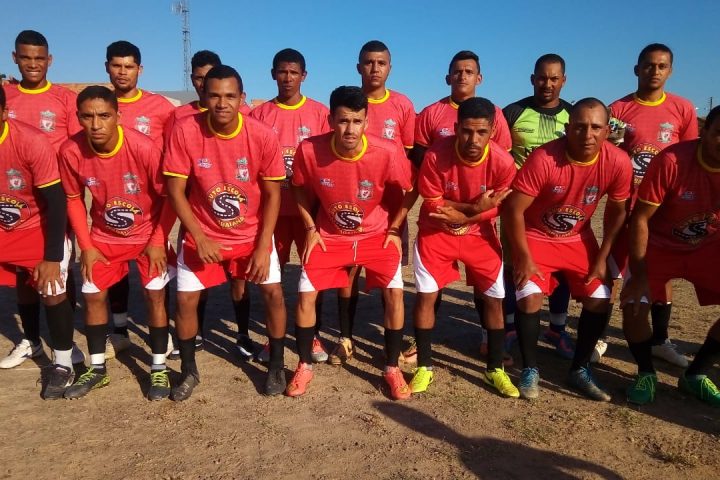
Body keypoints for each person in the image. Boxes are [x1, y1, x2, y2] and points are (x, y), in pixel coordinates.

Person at [164, 65, 287, 400]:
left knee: (273, 293)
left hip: (252, 235)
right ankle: (188, 370)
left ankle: (276, 365)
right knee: (185, 300)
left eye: (230, 96)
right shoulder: (185, 131)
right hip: (203, 233)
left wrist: (263, 247)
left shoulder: (262, 135)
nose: (222, 103)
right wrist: (199, 236)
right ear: (204, 97)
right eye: (215, 95)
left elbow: (273, 194)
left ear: (242, 98)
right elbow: (175, 190)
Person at [286, 86, 413, 400]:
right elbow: (297, 186)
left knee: (395, 294)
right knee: (305, 296)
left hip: (376, 235)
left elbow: (411, 190)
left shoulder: (387, 151)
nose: (350, 129)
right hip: (329, 236)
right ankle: (304, 366)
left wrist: (395, 229)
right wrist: (310, 227)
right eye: (343, 121)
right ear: (331, 120)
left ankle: (392, 368)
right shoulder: (309, 150)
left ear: (367, 122)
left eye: (357, 121)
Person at [502, 98, 632, 401]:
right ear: (567, 127)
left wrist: (603, 258)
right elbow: (513, 210)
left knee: (599, 297)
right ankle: (530, 368)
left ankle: (580, 369)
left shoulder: (618, 161)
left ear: (607, 130)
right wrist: (523, 257)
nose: (588, 134)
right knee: (529, 296)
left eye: (596, 127)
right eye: (580, 126)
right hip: (536, 234)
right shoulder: (544, 158)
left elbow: (617, 213)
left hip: (577, 238)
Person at [58, 86, 176, 400]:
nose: (96, 124)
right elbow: (73, 199)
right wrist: (86, 246)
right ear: (78, 117)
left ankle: (159, 368)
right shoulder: (70, 151)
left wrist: (158, 240)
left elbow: (169, 198)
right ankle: (97, 369)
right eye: (88, 116)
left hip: (147, 235)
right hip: (104, 237)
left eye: (104, 116)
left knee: (155, 296)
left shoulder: (144, 148)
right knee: (93, 295)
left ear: (118, 117)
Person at [411, 97, 517, 397]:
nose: (473, 139)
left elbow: (500, 206)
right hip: (436, 233)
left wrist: (465, 215)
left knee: (494, 299)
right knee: (426, 297)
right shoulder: (435, 155)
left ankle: (495, 369)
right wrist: (473, 208)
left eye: (481, 132)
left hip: (479, 236)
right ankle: (424, 366)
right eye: (467, 131)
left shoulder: (503, 162)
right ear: (456, 128)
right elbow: (432, 203)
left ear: (492, 131)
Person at [620, 105, 720, 407]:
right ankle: (645, 372)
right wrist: (639, 275)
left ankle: (696, 374)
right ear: (704, 132)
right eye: (719, 133)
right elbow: (640, 218)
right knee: (634, 305)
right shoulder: (672, 160)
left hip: (707, 246)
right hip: (660, 244)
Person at [610, 43, 699, 368]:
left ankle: (660, 340)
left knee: (662, 272)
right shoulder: (618, 109)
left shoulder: (682, 108)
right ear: (637, 69)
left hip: (665, 208)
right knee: (614, 268)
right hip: (627, 204)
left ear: (670, 71)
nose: (654, 71)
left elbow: (690, 158)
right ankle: (600, 337)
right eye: (648, 65)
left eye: (661, 66)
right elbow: (610, 157)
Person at [328, 40, 416, 366]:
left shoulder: (403, 105)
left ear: (390, 67)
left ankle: (390, 338)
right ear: (359, 67)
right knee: (348, 272)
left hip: (388, 208)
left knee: (387, 275)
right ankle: (346, 337)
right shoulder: (349, 103)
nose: (374, 68)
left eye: (381, 63)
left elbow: (408, 156)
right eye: (368, 62)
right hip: (350, 205)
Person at [0, 29, 83, 370]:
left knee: (58, 268)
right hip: (15, 201)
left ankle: (66, 341)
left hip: (55, 197)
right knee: (23, 275)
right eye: (25, 57)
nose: (32, 64)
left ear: (49, 60)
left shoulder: (64, 99)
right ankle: (31, 340)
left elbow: (77, 148)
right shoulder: (6, 95)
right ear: (14, 58)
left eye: (39, 58)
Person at [249, 48, 331, 363]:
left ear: (303, 76)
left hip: (309, 211)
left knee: (313, 273)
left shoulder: (319, 113)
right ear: (273, 74)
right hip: (272, 212)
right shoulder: (258, 115)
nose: (287, 77)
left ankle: (313, 336)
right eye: (282, 71)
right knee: (273, 278)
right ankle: (275, 338)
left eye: (293, 72)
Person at [104, 40, 176, 359]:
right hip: (111, 203)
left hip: (151, 206)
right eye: (116, 65)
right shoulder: (100, 105)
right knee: (116, 270)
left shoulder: (160, 107)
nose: (122, 72)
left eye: (129, 66)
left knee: (156, 272)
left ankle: (163, 331)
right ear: (107, 67)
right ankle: (119, 330)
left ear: (140, 69)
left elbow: (173, 151)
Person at [502, 54, 574, 361]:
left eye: (554, 78)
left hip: (559, 209)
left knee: (560, 268)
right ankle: (509, 327)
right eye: (542, 78)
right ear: (533, 79)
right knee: (512, 264)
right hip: (518, 207)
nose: (547, 84)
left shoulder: (573, 115)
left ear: (563, 81)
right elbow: (498, 154)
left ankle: (557, 328)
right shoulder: (513, 112)